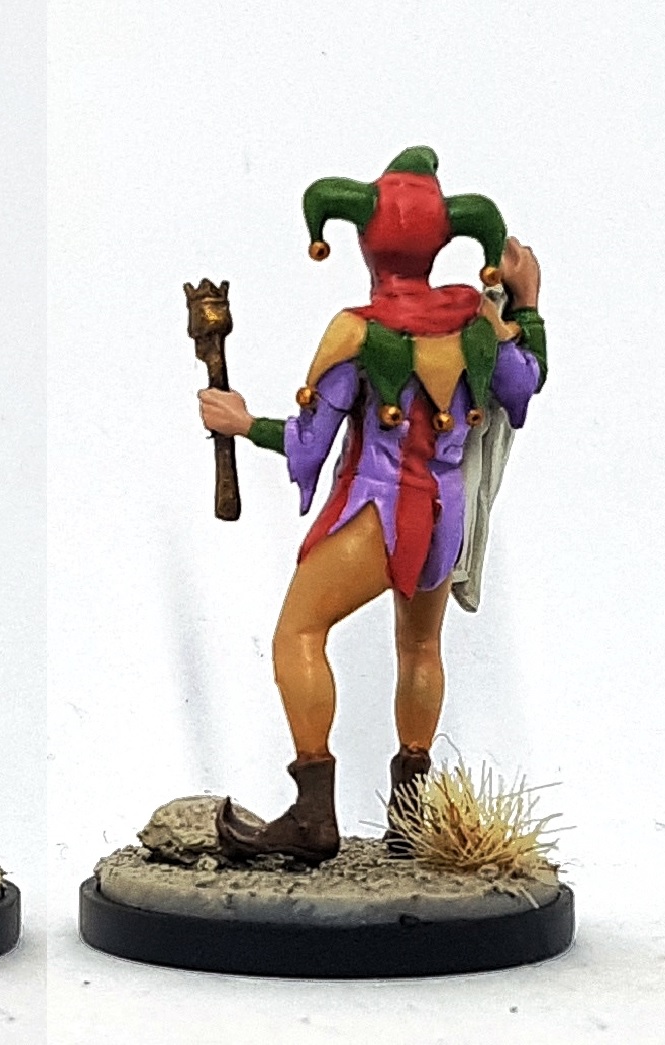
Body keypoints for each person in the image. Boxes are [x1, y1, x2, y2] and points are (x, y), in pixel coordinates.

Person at [197, 147, 547, 863]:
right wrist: (529, 304)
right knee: (420, 646)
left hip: (377, 514)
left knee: (298, 633)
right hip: (444, 517)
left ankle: (311, 814)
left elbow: (309, 442)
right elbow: (525, 383)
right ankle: (409, 812)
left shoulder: (357, 331)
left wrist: (243, 423)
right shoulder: (478, 320)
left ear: (366, 241)